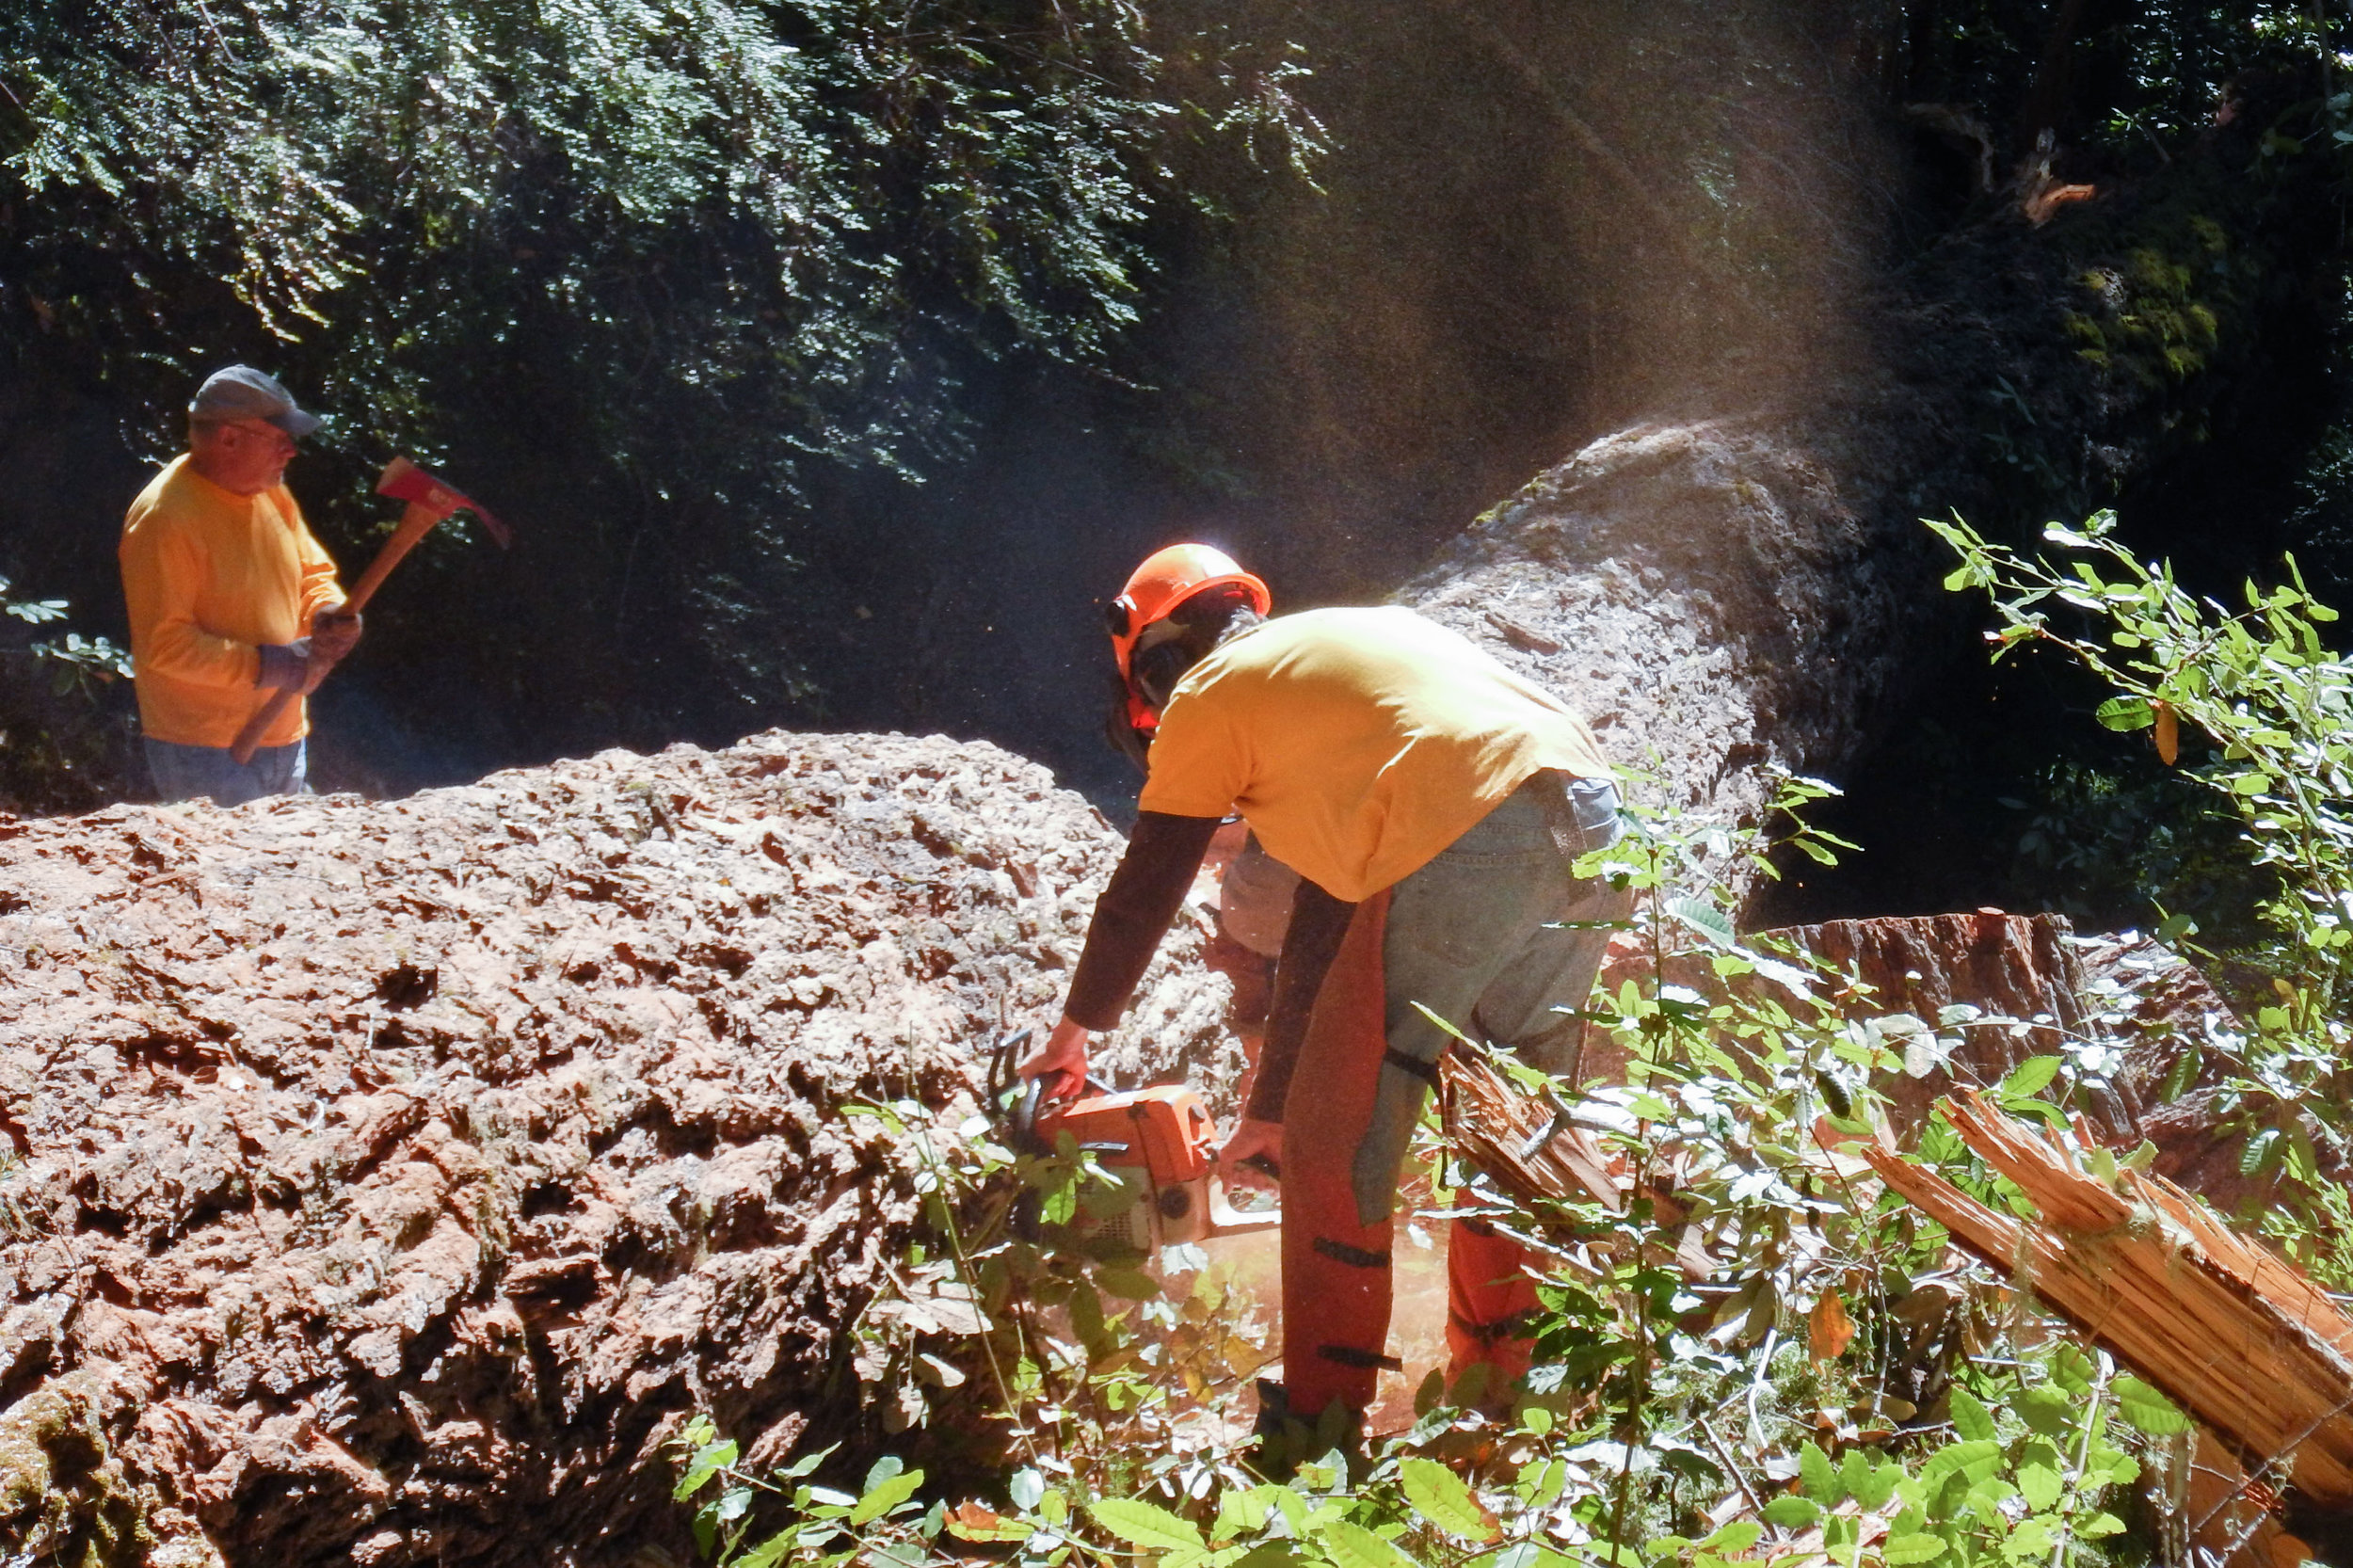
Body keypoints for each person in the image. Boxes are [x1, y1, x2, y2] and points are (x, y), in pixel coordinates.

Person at [1020, 542, 1631, 1439]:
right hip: (1595, 831)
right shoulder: (1343, 654)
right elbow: (1325, 921)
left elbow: (1145, 888)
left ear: (1152, 657)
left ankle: (1317, 1429)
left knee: (1338, 1145)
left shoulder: (1210, 695)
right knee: (1518, 1126)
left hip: (1471, 833)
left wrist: (1073, 1035)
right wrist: (1267, 1109)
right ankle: (1506, 1401)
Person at [119, 366, 360, 806]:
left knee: (290, 870)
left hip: (282, 734)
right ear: (229, 438)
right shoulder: (165, 519)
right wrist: (270, 667)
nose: (291, 451)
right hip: (203, 748)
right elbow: (164, 647)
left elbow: (312, 574)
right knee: (233, 875)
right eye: (278, 437)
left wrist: (328, 614)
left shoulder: (270, 491)